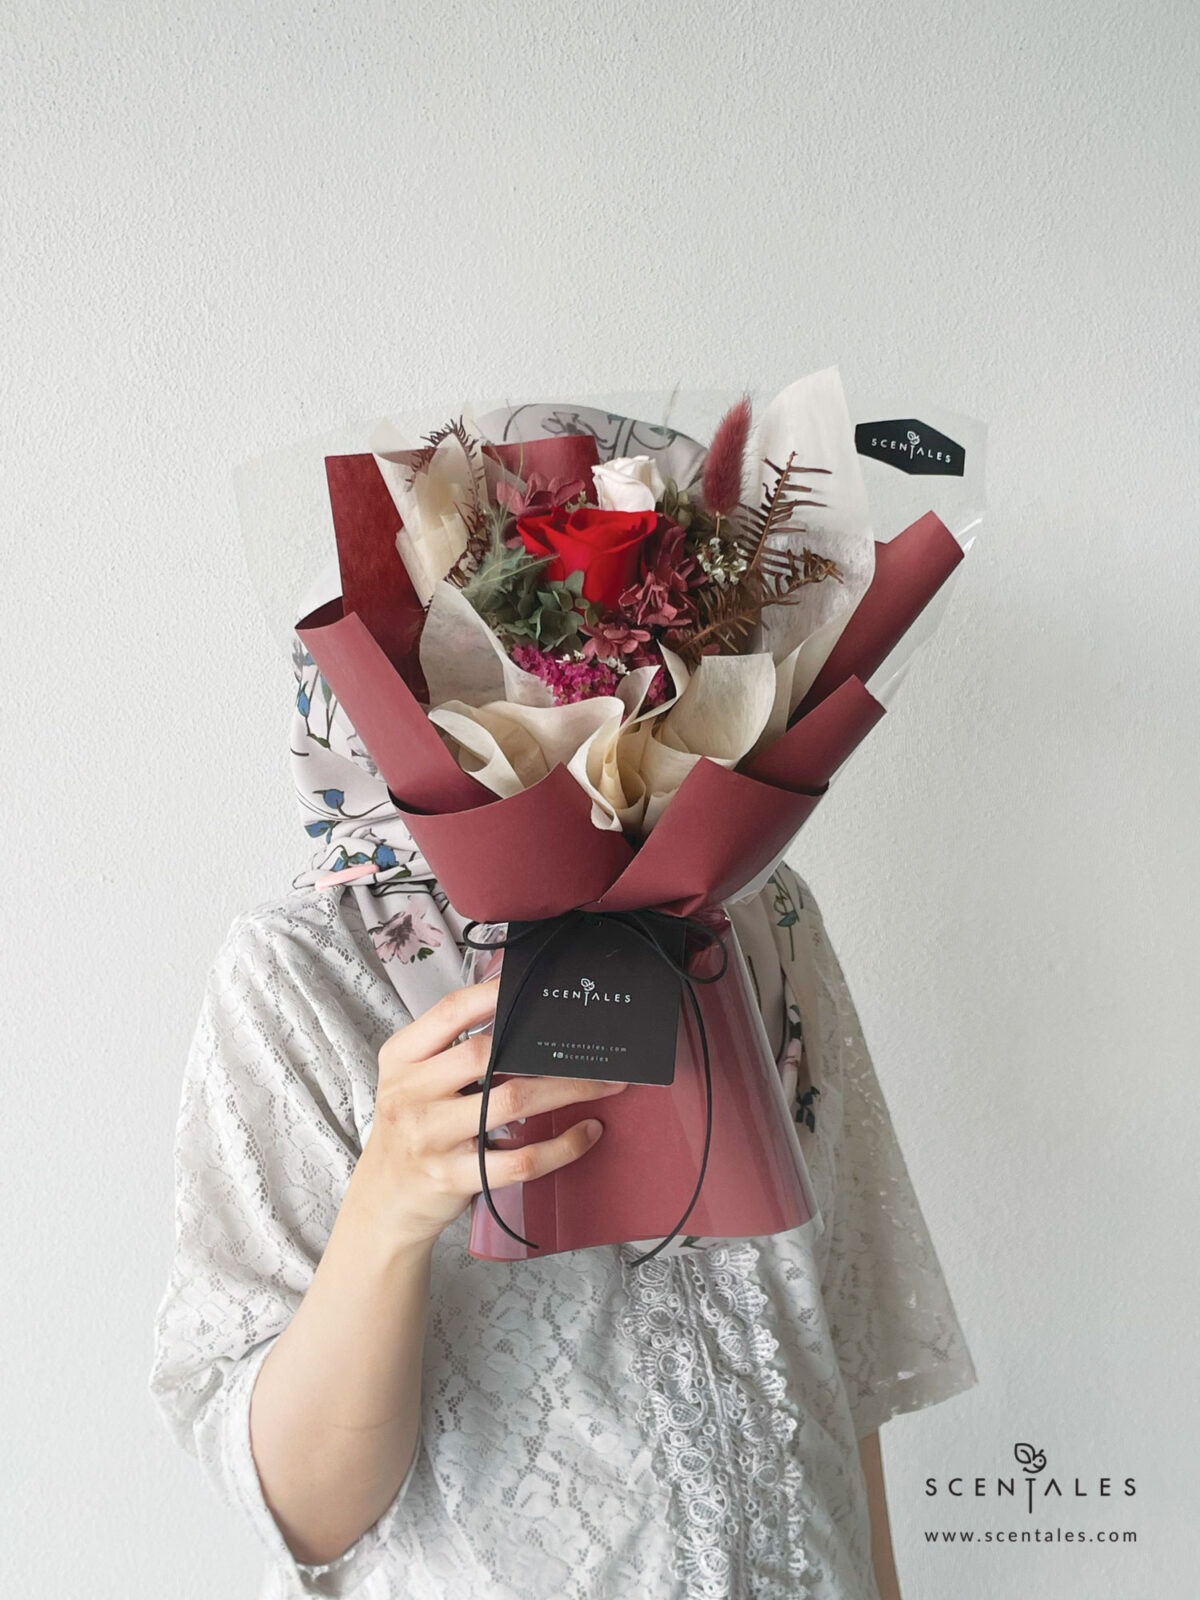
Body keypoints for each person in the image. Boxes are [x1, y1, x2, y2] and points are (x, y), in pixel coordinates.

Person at [147, 634, 978, 1600]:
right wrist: (387, 1215)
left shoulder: (755, 910)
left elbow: (832, 1344)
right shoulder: (306, 972)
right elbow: (305, 1515)